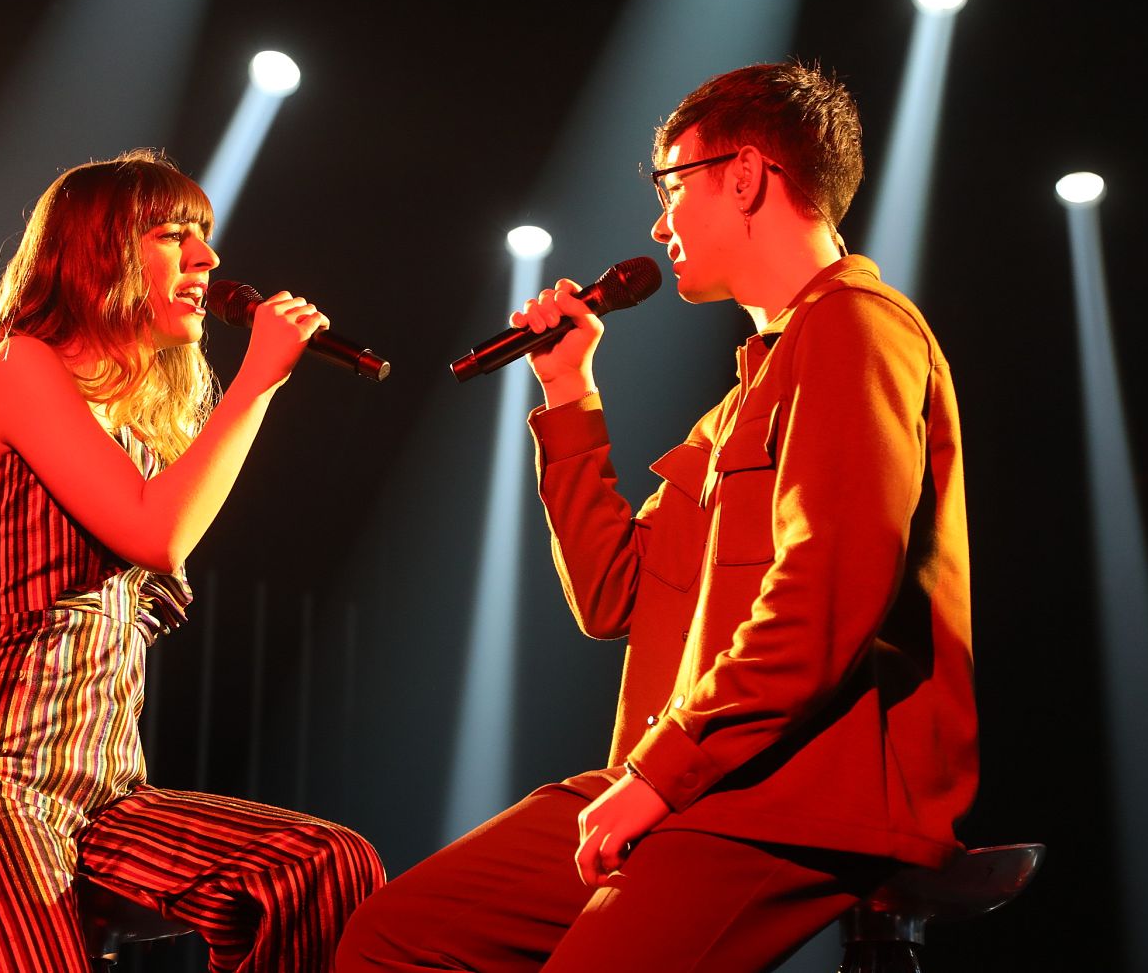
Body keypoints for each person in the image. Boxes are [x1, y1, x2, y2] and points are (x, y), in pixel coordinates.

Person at [337, 62, 977, 971]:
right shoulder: (736, 406)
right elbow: (614, 594)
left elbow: (824, 596)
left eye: (672, 186)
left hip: (787, 789)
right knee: (396, 933)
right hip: (690, 779)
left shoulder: (857, 328)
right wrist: (566, 391)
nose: (657, 221)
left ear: (748, 175)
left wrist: (658, 775)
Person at [0, 150, 384, 972]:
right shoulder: (19, 366)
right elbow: (156, 533)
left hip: (107, 794)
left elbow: (158, 518)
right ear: (101, 252)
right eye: (173, 233)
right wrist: (257, 379)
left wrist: (255, 386)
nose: (207, 259)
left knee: (319, 866)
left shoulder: (134, 441)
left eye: (206, 237)